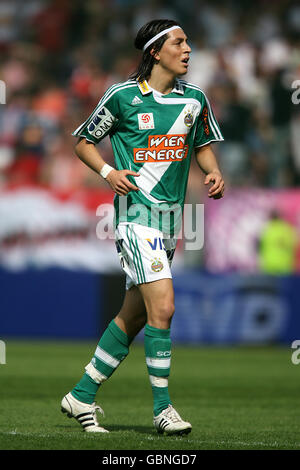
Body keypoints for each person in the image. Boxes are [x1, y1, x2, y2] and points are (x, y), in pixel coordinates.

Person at [61, 19, 225, 436]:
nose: (188, 49)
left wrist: (213, 171)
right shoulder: (122, 97)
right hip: (135, 216)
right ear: (156, 51)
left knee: (134, 316)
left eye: (188, 42)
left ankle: (81, 394)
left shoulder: (194, 100)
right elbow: (83, 142)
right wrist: (107, 171)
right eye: (180, 42)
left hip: (171, 221)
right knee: (164, 307)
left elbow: (202, 145)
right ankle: (163, 409)